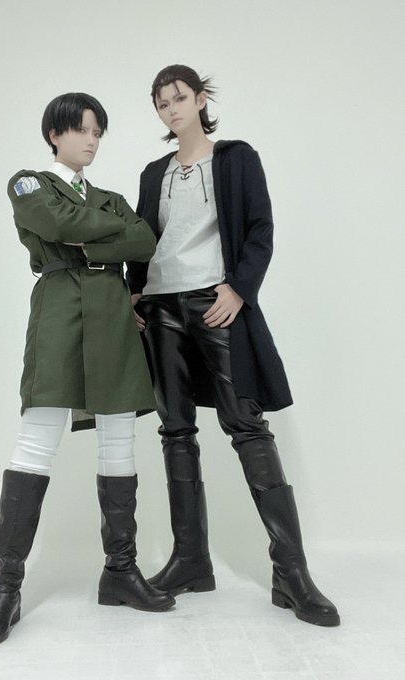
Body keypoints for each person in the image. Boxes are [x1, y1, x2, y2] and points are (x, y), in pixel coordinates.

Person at [127, 65, 340, 627]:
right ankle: (191, 561)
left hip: (215, 302)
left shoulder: (236, 158)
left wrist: (240, 289)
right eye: (161, 103)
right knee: (175, 430)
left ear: (201, 99)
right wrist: (133, 291)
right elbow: (145, 239)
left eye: (179, 97)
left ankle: (291, 573)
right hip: (161, 309)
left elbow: (260, 229)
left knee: (247, 426)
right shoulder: (153, 173)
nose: (171, 109)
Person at [0, 92, 175, 646]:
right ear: (55, 134)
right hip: (60, 310)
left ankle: (121, 572)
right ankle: (5, 588)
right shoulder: (28, 183)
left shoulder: (111, 198)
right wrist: (100, 234)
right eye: (82, 130)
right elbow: (52, 221)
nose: (91, 140)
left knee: (119, 439)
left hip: (113, 315)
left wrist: (81, 237)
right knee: (36, 439)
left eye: (98, 133)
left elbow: (144, 240)